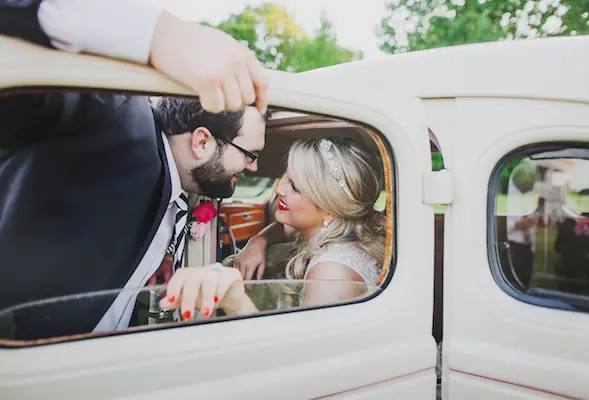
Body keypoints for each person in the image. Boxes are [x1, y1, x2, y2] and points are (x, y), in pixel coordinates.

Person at [0, 0, 270, 339]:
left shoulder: (182, 194)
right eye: (249, 153)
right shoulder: (113, 117)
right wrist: (160, 34)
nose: (254, 166)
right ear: (202, 142)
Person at [159, 137, 386, 319]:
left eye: (294, 187)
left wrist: (236, 303)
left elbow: (299, 364)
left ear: (329, 207)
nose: (279, 190)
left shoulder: (332, 274)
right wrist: (258, 241)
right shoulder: (325, 229)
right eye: (284, 178)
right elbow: (281, 229)